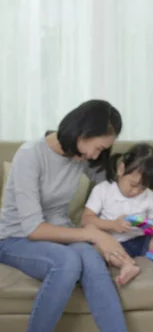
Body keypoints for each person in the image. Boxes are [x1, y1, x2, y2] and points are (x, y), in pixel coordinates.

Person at [0, 99, 133, 332]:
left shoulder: (81, 157)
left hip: (60, 235)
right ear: (83, 133)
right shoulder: (30, 155)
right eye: (99, 148)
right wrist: (93, 235)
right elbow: (34, 229)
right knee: (67, 262)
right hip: (15, 238)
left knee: (92, 260)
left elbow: (114, 190)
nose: (96, 156)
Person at [82, 143, 153, 278]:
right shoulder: (103, 190)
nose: (136, 192)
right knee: (95, 245)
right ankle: (126, 265)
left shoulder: (151, 198)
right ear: (121, 169)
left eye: (142, 188)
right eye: (133, 185)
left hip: (141, 242)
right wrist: (114, 225)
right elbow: (86, 219)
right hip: (111, 243)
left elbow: (148, 231)